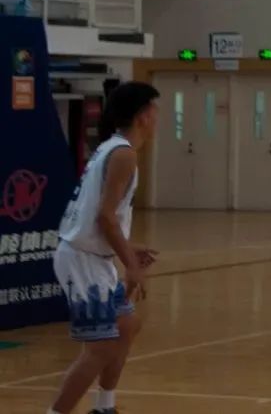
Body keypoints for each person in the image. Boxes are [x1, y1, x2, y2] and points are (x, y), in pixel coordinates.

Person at [48, 82, 161, 414]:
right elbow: (105, 218)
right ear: (143, 115)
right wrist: (131, 266)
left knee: (126, 326)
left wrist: (128, 246)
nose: (158, 117)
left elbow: (98, 216)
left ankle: (104, 407)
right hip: (81, 259)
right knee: (100, 348)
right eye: (155, 110)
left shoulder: (112, 147)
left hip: (89, 254)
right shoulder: (123, 154)